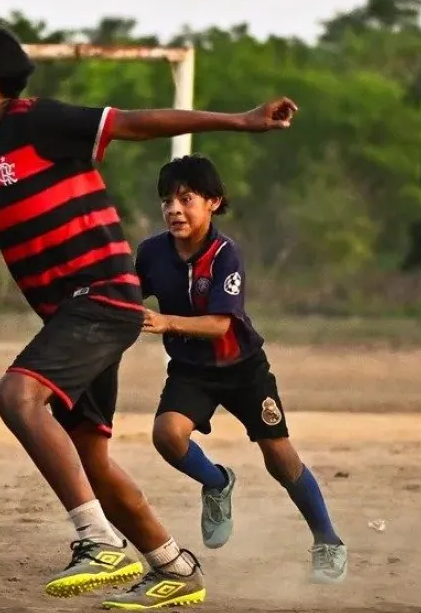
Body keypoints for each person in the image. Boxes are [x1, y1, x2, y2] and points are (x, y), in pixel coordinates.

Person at [0, 19, 298, 610]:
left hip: (104, 296)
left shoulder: (37, 122)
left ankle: (97, 542)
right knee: (89, 457)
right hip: (73, 315)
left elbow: (137, 123)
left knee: (16, 396)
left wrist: (240, 121)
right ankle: (173, 566)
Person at [134, 154, 347, 583]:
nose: (174, 209)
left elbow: (219, 324)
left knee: (280, 458)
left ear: (213, 202)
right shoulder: (152, 253)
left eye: (186, 198)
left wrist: (167, 322)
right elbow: (126, 299)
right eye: (166, 201)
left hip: (243, 368)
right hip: (192, 370)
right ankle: (216, 482)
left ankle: (328, 541)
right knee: (166, 435)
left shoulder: (226, 255)